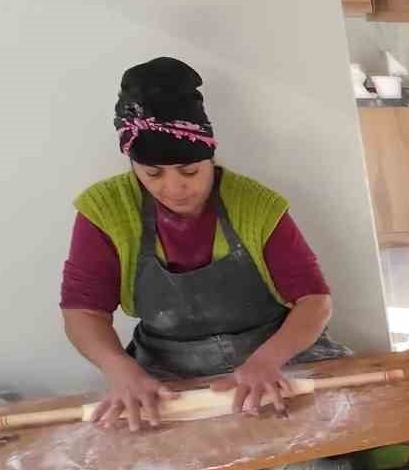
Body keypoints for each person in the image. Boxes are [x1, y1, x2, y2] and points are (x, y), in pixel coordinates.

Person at [60, 57, 349, 431]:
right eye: (152, 174)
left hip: (274, 354)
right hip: (166, 370)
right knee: (165, 467)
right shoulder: (105, 210)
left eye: (190, 171)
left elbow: (314, 301)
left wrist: (267, 360)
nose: (174, 188)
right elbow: (83, 312)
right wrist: (119, 368)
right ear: (133, 166)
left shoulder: (255, 204)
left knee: (327, 450)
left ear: (209, 156)